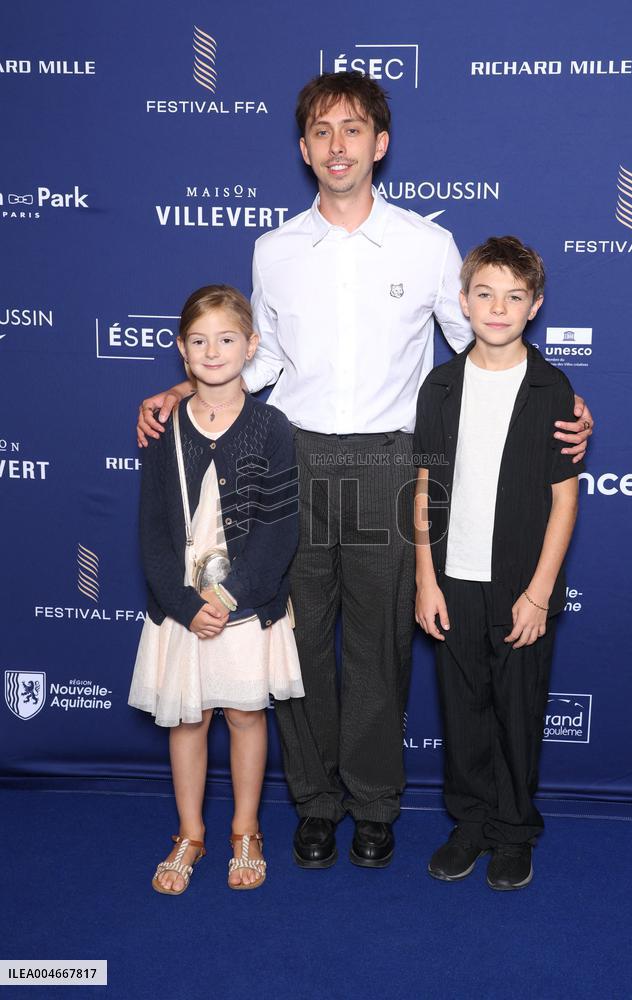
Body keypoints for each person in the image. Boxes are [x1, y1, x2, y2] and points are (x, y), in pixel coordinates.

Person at [136, 73, 593, 871]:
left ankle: (376, 804)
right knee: (298, 637)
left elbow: (481, 344)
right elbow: (266, 357)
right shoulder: (274, 250)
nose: (337, 145)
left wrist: (557, 406)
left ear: (379, 144)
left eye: (353, 129)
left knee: (381, 646)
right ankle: (314, 804)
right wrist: (188, 383)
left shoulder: (426, 244)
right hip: (293, 456)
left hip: (391, 461)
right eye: (321, 131)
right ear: (303, 149)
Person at [413, 236, 582, 890]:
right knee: (463, 710)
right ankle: (471, 824)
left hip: (520, 586)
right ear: (463, 301)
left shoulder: (551, 387)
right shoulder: (442, 384)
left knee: (517, 710)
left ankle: (514, 829)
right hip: (453, 581)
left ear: (534, 305)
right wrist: (426, 579)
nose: (498, 307)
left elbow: (564, 502)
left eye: (514, 296)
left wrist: (539, 592)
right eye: (484, 293)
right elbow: (423, 487)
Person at [129, 284, 303, 893]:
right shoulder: (164, 427)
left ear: (251, 347)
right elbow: (152, 531)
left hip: (246, 605)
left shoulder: (271, 426)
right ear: (181, 351)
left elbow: (280, 530)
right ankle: (190, 834)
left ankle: (246, 831)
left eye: (227, 339)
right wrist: (184, 605)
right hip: (182, 609)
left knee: (245, 715)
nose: (212, 351)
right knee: (189, 719)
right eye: (199, 341)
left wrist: (227, 601)